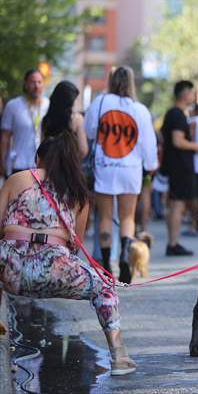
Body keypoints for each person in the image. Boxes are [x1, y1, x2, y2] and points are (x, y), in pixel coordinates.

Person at [0, 131, 137, 375]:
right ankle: (118, 355)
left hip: (12, 270)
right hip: (56, 269)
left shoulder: (17, 179)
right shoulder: (78, 192)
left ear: (38, 159)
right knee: (105, 288)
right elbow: (75, 246)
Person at [84, 66, 158, 283]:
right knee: (127, 217)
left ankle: (106, 263)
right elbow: (148, 144)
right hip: (130, 169)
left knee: (105, 217)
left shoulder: (100, 102)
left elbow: (89, 131)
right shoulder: (140, 109)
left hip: (105, 166)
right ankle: (125, 259)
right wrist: (151, 164)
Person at [160, 80, 198, 256]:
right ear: (184, 93)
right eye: (192, 92)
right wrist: (196, 146)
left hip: (175, 166)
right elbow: (177, 141)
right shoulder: (177, 115)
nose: (193, 96)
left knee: (174, 205)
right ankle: (173, 243)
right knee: (178, 205)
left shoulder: (174, 114)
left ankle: (173, 242)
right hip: (180, 167)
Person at [0, 69, 49, 177]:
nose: (36, 86)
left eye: (39, 82)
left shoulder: (48, 105)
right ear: (25, 84)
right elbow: (5, 137)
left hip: (41, 165)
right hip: (18, 164)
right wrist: (2, 162)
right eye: (33, 82)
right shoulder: (13, 106)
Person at [41, 80, 88, 158]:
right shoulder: (77, 119)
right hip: (69, 168)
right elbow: (83, 150)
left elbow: (42, 148)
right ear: (69, 101)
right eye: (75, 99)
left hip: (49, 167)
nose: (76, 102)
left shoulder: (46, 120)